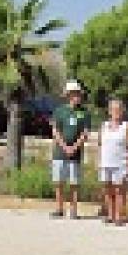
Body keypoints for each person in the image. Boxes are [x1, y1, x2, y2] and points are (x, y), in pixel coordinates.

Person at [51, 79, 92, 219]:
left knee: (74, 182)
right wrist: (64, 146)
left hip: (75, 153)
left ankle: (74, 209)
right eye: (74, 94)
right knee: (59, 181)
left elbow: (85, 133)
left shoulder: (84, 113)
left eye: (78, 94)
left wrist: (74, 147)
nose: (77, 97)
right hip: (59, 152)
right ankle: (59, 208)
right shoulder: (59, 111)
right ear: (68, 95)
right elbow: (55, 131)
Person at [98, 97, 128, 226]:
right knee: (107, 189)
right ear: (109, 111)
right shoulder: (104, 126)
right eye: (113, 109)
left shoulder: (126, 126)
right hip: (106, 162)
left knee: (119, 190)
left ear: (122, 111)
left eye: (118, 109)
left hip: (120, 162)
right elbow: (100, 144)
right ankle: (110, 214)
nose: (116, 112)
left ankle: (119, 216)